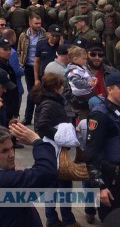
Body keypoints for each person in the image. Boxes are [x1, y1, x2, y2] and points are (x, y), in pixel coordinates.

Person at [0, 124, 57, 227]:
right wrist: (36, 141)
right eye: (5, 151)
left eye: (12, 148)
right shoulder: (0, 181)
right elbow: (46, 172)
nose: (12, 154)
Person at [31, 73, 78, 227]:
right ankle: (67, 220)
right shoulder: (51, 103)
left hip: (49, 149)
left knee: (51, 185)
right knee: (63, 185)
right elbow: (43, 125)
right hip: (54, 150)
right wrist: (60, 136)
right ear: (56, 87)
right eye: (62, 85)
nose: (64, 88)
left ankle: (53, 219)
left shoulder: (47, 100)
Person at [85, 71, 120, 220]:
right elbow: (92, 152)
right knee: (112, 219)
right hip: (111, 179)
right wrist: (100, 187)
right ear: (110, 89)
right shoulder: (101, 114)